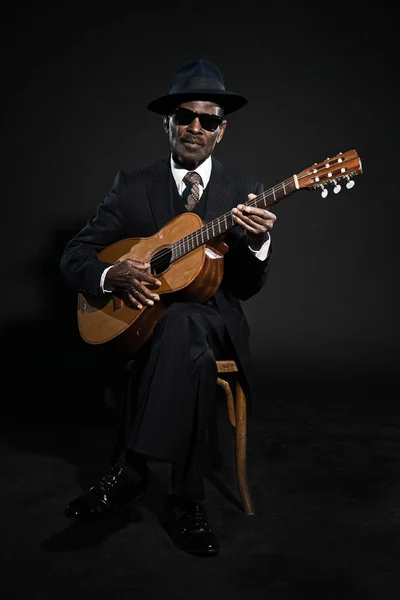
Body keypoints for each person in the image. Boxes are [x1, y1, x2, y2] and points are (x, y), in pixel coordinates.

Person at [59, 58, 277, 557]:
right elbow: (75, 254)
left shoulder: (243, 191)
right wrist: (112, 274)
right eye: (185, 116)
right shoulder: (133, 184)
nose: (195, 128)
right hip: (146, 324)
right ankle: (186, 500)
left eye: (209, 120)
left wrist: (258, 245)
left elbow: (245, 288)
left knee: (188, 321)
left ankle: (131, 470)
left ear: (222, 131)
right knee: (183, 336)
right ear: (168, 123)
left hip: (215, 321)